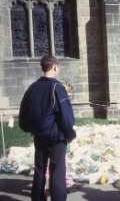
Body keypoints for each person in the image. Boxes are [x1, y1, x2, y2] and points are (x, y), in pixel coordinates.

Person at [19, 55, 76, 201]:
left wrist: (30, 129)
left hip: (39, 135)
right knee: (57, 172)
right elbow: (66, 115)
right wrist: (70, 133)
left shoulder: (33, 87)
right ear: (54, 67)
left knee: (40, 170)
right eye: (58, 67)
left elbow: (24, 112)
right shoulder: (57, 87)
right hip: (56, 137)